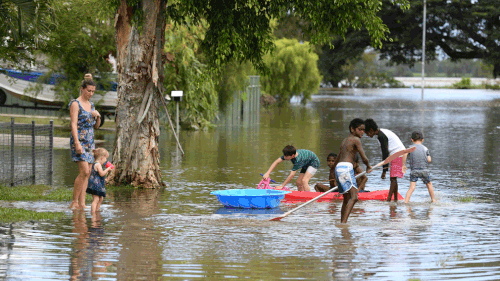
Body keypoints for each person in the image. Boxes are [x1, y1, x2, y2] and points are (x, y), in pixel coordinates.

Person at [69, 74, 101, 209]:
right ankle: (74, 202)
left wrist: (98, 116)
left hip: (90, 142)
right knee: (84, 172)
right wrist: (76, 143)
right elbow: (73, 124)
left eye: (93, 91)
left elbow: (96, 126)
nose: (91, 93)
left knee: (87, 172)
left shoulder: (91, 105)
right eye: (89, 91)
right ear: (82, 89)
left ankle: (82, 203)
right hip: (79, 141)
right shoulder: (75, 104)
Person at [332, 118, 372, 223]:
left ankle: (342, 222)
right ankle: (344, 224)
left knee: (346, 199)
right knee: (354, 197)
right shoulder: (356, 140)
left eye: (363, 130)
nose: (362, 132)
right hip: (346, 168)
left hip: (339, 168)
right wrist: (368, 166)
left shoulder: (344, 141)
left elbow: (337, 160)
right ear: (352, 129)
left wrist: (333, 174)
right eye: (360, 129)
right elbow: (364, 157)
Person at [364, 118, 407, 202]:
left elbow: (385, 153)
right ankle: (395, 200)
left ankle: (388, 200)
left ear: (371, 130)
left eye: (367, 133)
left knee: (393, 179)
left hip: (398, 154)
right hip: (397, 154)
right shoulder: (381, 133)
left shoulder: (381, 136)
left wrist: (384, 171)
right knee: (393, 179)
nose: (367, 135)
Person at [404, 131, 436, 203]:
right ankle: (433, 200)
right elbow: (429, 160)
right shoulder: (425, 148)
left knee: (412, 187)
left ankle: (406, 202)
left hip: (414, 171)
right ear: (422, 140)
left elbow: (405, 154)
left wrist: (403, 164)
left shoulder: (410, 148)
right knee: (429, 184)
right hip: (424, 170)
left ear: (412, 140)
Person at [87, 148, 113, 214]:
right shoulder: (97, 164)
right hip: (95, 185)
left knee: (101, 198)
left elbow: (100, 175)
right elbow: (101, 174)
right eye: (105, 159)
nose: (106, 161)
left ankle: (97, 210)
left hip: (98, 185)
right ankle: (93, 213)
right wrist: (107, 169)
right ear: (101, 158)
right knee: (96, 199)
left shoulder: (96, 164)